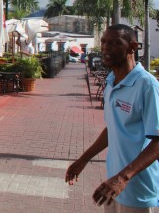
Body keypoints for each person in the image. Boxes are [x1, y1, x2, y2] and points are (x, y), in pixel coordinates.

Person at [65, 24, 159, 211]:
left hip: (136, 189)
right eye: (104, 42)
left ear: (132, 47)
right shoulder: (111, 83)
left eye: (115, 42)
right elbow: (113, 128)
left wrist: (122, 178)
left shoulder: (147, 85)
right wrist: (83, 160)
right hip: (112, 186)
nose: (106, 47)